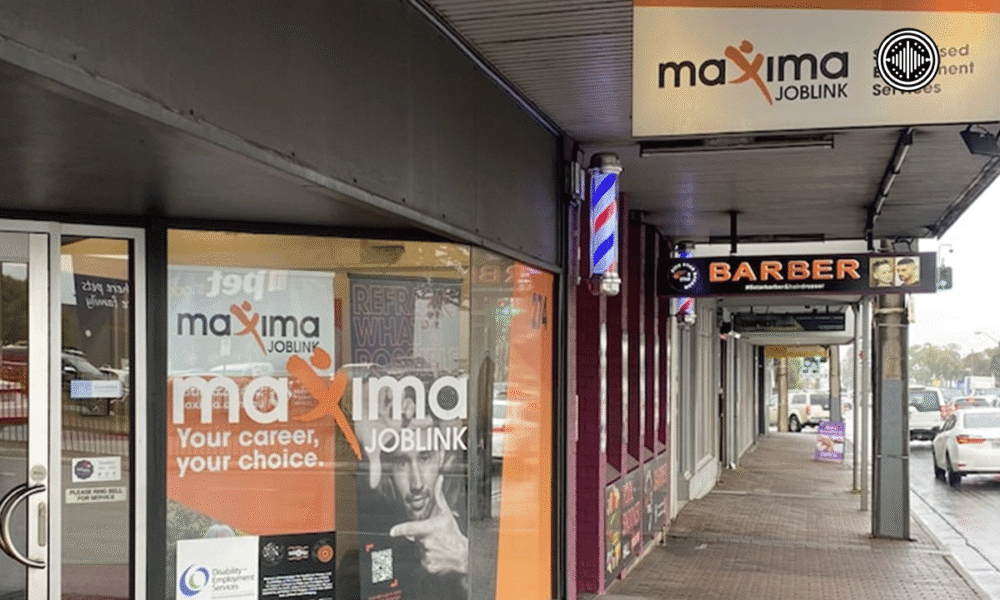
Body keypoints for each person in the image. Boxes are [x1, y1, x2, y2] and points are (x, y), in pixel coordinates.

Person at [356, 385, 469, 600]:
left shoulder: (470, 525)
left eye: (425, 458)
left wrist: (466, 562)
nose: (416, 483)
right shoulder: (378, 530)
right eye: (401, 462)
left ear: (442, 455)